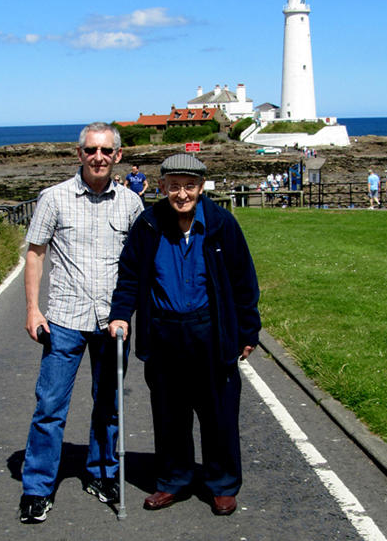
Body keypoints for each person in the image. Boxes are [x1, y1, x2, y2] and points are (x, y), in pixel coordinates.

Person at [108, 154, 261, 517]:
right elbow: (129, 275)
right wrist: (120, 315)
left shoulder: (222, 224)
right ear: (161, 187)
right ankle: (173, 480)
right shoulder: (148, 224)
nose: (181, 194)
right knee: (169, 412)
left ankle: (221, 483)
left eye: (189, 186)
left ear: (201, 187)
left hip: (211, 327)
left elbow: (244, 282)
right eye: (173, 186)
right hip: (164, 330)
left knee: (218, 411)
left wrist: (248, 330)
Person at [19, 122, 143, 523]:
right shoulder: (53, 199)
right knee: (50, 405)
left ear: (118, 156)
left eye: (106, 151)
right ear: (79, 154)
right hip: (64, 320)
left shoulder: (130, 204)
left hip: (113, 323)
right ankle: (37, 487)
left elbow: (140, 265)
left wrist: (132, 314)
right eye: (91, 150)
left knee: (108, 407)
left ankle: (103, 473)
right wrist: (33, 310)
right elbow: (35, 254)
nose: (99, 157)